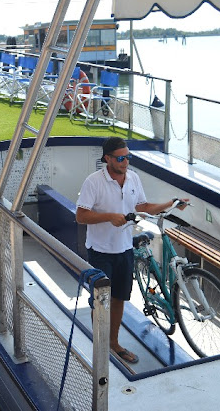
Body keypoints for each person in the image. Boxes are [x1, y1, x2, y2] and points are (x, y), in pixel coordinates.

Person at [75, 137, 188, 364]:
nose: (126, 161)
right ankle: (99, 346)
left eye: (128, 156)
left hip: (124, 249)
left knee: (118, 299)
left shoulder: (133, 178)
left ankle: (114, 344)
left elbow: (142, 207)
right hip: (100, 251)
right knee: (101, 302)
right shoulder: (93, 182)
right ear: (107, 159)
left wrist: (170, 203)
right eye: (121, 157)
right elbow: (81, 215)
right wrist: (109, 217)